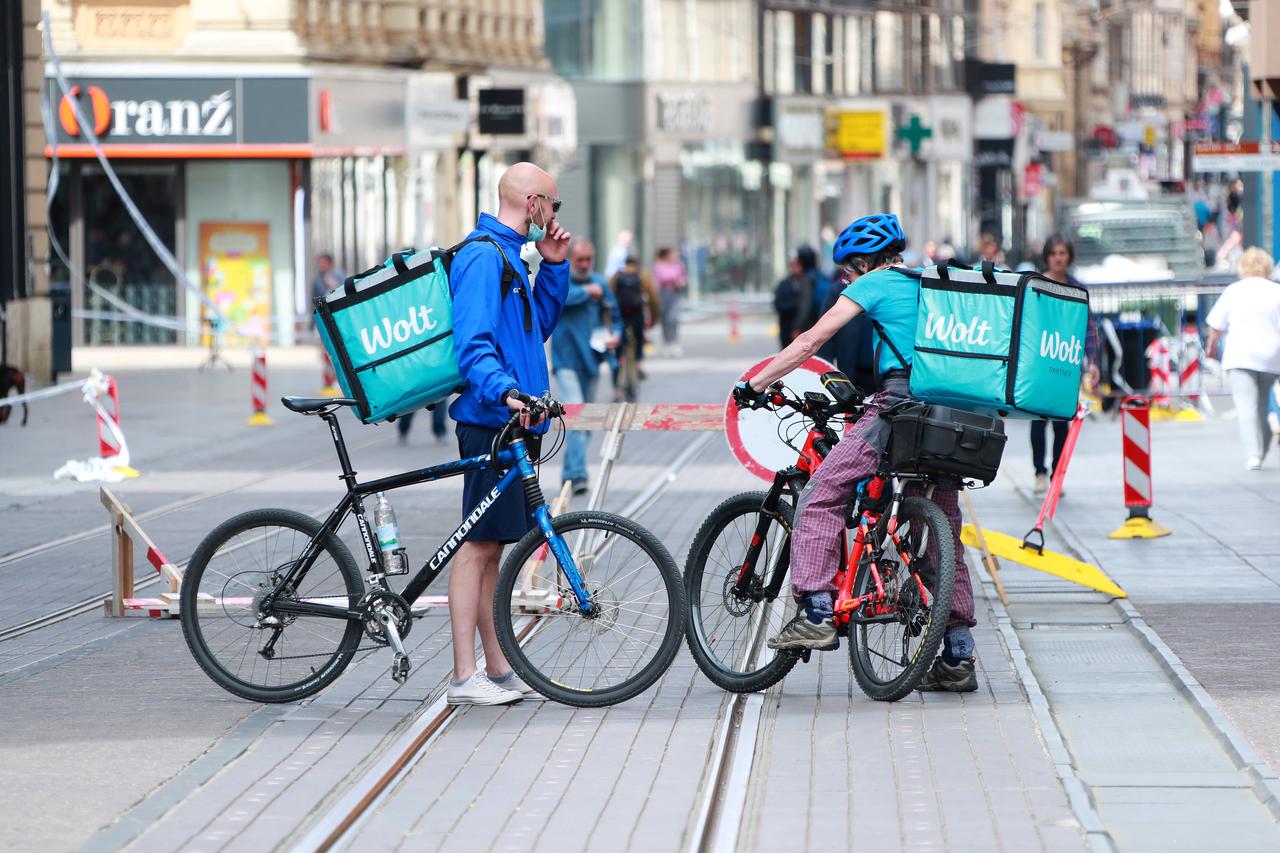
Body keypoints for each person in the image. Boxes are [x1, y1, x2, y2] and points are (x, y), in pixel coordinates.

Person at [734, 213, 978, 693]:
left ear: (865, 263)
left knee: (821, 493)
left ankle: (816, 612)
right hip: (956, 416)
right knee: (939, 531)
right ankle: (958, 654)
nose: (845, 280)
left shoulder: (876, 283)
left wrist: (755, 384)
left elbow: (811, 340)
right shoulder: (932, 284)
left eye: (848, 270)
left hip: (900, 408)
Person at [445, 162, 571, 705]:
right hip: (492, 422)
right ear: (534, 202)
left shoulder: (512, 256)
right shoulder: (482, 256)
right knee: (476, 547)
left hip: (517, 421)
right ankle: (462, 675)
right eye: (554, 204)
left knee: (493, 548)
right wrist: (505, 392)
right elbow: (472, 344)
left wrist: (554, 266)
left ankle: (496, 668)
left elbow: (532, 330)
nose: (556, 214)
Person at [553, 237, 621, 495]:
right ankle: (578, 475)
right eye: (579, 260)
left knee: (584, 422)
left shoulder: (599, 283)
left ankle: (569, 474)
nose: (584, 264)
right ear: (570, 259)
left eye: (588, 259)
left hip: (591, 360)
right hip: (566, 361)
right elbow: (559, 298)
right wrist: (585, 293)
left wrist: (615, 335)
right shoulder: (563, 280)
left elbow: (615, 316)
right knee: (577, 416)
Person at [1206, 247, 1280, 471]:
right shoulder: (1276, 291)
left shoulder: (1234, 291)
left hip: (1241, 356)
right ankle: (1263, 444)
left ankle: (1254, 455)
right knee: (1262, 405)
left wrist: (1211, 346)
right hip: (1271, 357)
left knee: (1246, 407)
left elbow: (1216, 326)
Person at [1031, 235, 1076, 493]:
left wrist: (1092, 361)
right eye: (1054, 253)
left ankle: (1057, 476)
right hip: (1039, 359)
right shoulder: (1036, 283)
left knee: (1061, 422)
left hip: (1066, 358)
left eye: (1062, 253)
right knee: (1038, 419)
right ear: (1047, 256)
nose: (1058, 258)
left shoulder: (1076, 287)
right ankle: (1039, 472)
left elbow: (1087, 326)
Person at [611, 254, 659, 402]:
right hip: (637, 316)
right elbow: (653, 299)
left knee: (618, 349)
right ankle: (638, 364)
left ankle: (616, 390)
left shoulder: (616, 276)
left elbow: (609, 297)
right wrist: (653, 320)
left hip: (620, 317)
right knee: (639, 339)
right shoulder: (643, 276)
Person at [652, 247, 687, 357]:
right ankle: (667, 343)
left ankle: (674, 343)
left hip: (674, 292)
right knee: (665, 319)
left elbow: (683, 277)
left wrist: (681, 282)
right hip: (663, 293)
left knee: (673, 318)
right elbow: (656, 281)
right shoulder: (659, 266)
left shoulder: (678, 265)